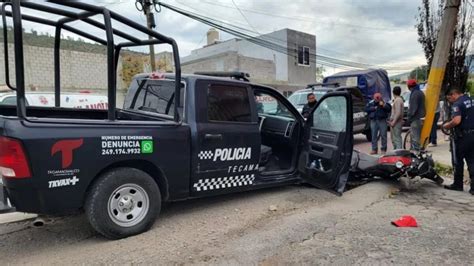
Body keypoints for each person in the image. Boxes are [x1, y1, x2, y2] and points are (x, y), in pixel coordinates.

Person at [442, 87, 474, 195]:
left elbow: (456, 120)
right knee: (472, 161)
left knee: (458, 161)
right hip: (472, 134)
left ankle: (458, 184)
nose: (450, 101)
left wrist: (447, 125)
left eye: (449, 99)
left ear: (453, 94)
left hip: (462, 137)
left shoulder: (457, 104)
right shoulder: (471, 100)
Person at [406, 79, 425, 151]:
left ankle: (416, 154)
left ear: (409, 86)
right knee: (417, 137)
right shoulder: (420, 92)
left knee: (415, 138)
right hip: (420, 117)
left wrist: (409, 117)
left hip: (415, 118)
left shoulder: (415, 94)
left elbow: (413, 108)